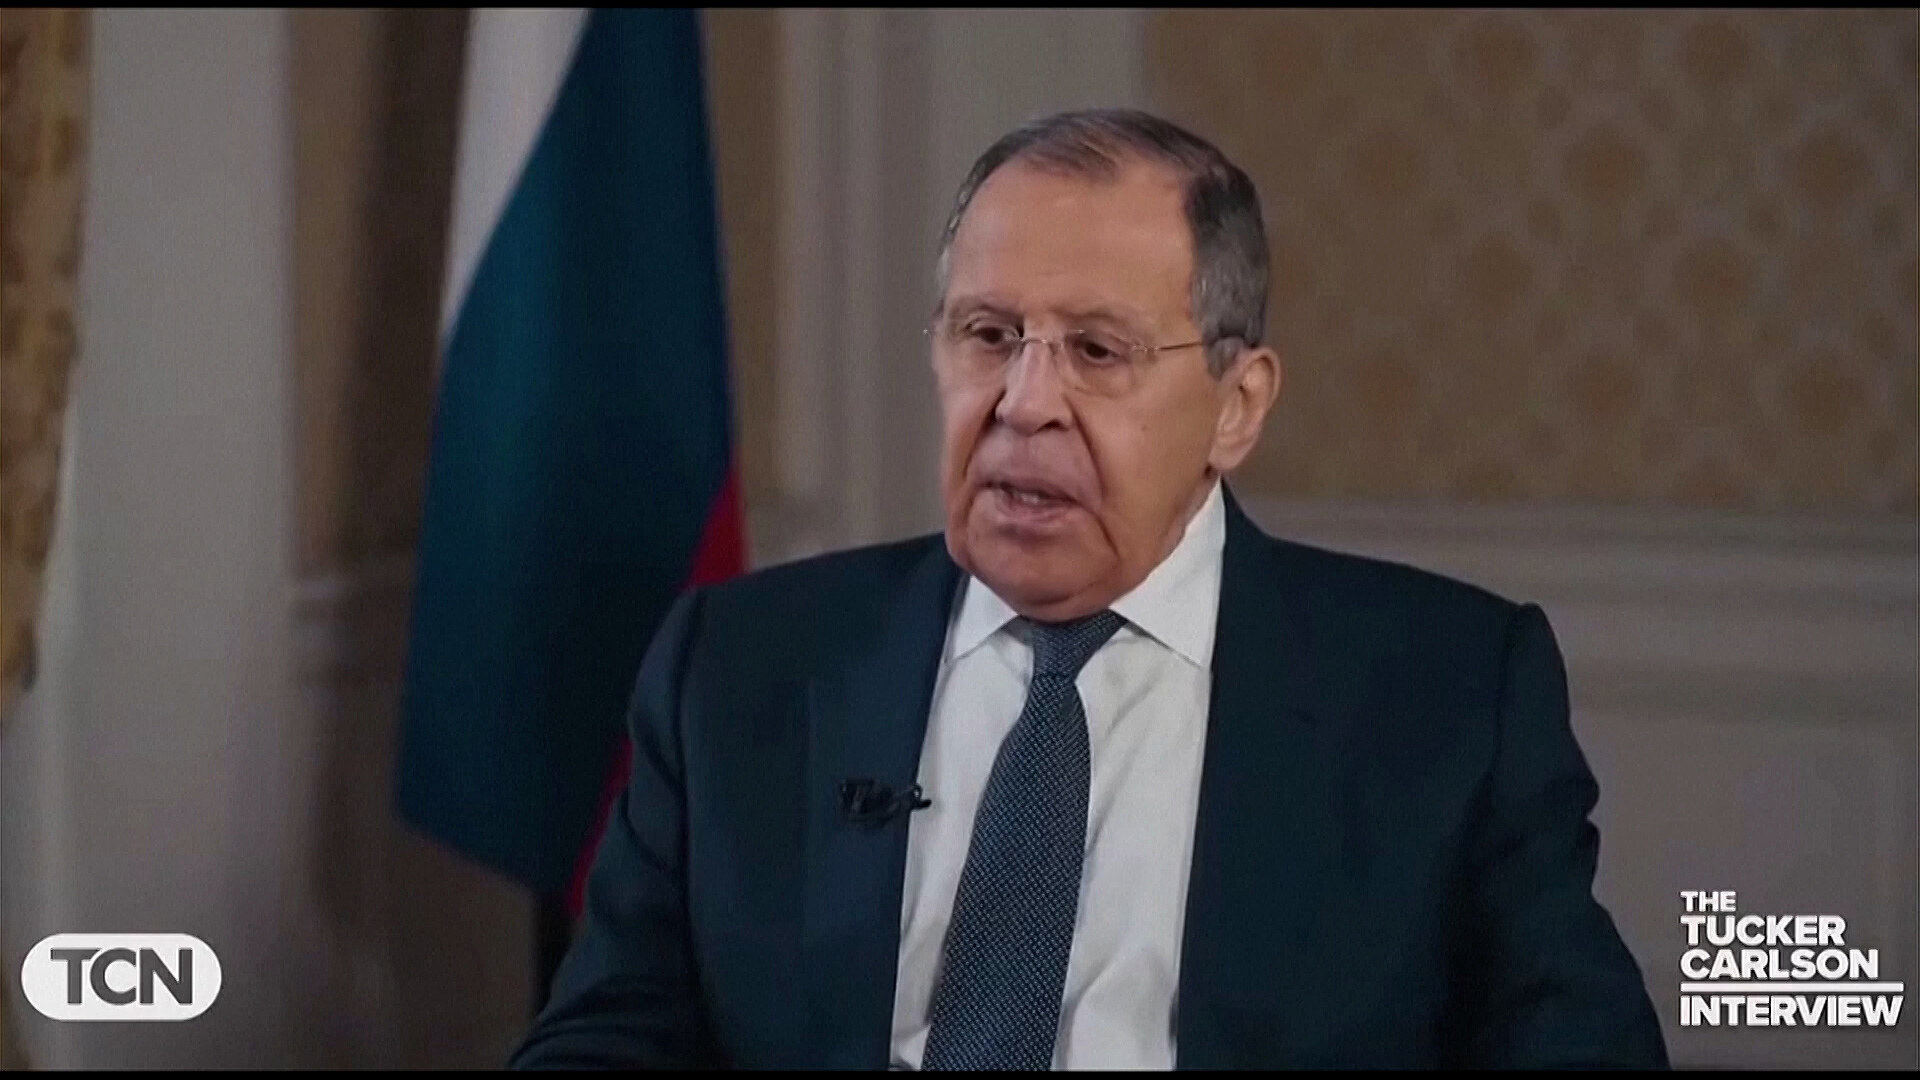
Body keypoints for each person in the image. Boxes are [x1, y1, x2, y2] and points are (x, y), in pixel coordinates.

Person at [510, 108, 1668, 1070]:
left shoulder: (1447, 696)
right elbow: (606, 1036)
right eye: (988, 334)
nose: (1024, 403)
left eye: (1098, 352)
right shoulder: (738, 666)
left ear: (1237, 407)